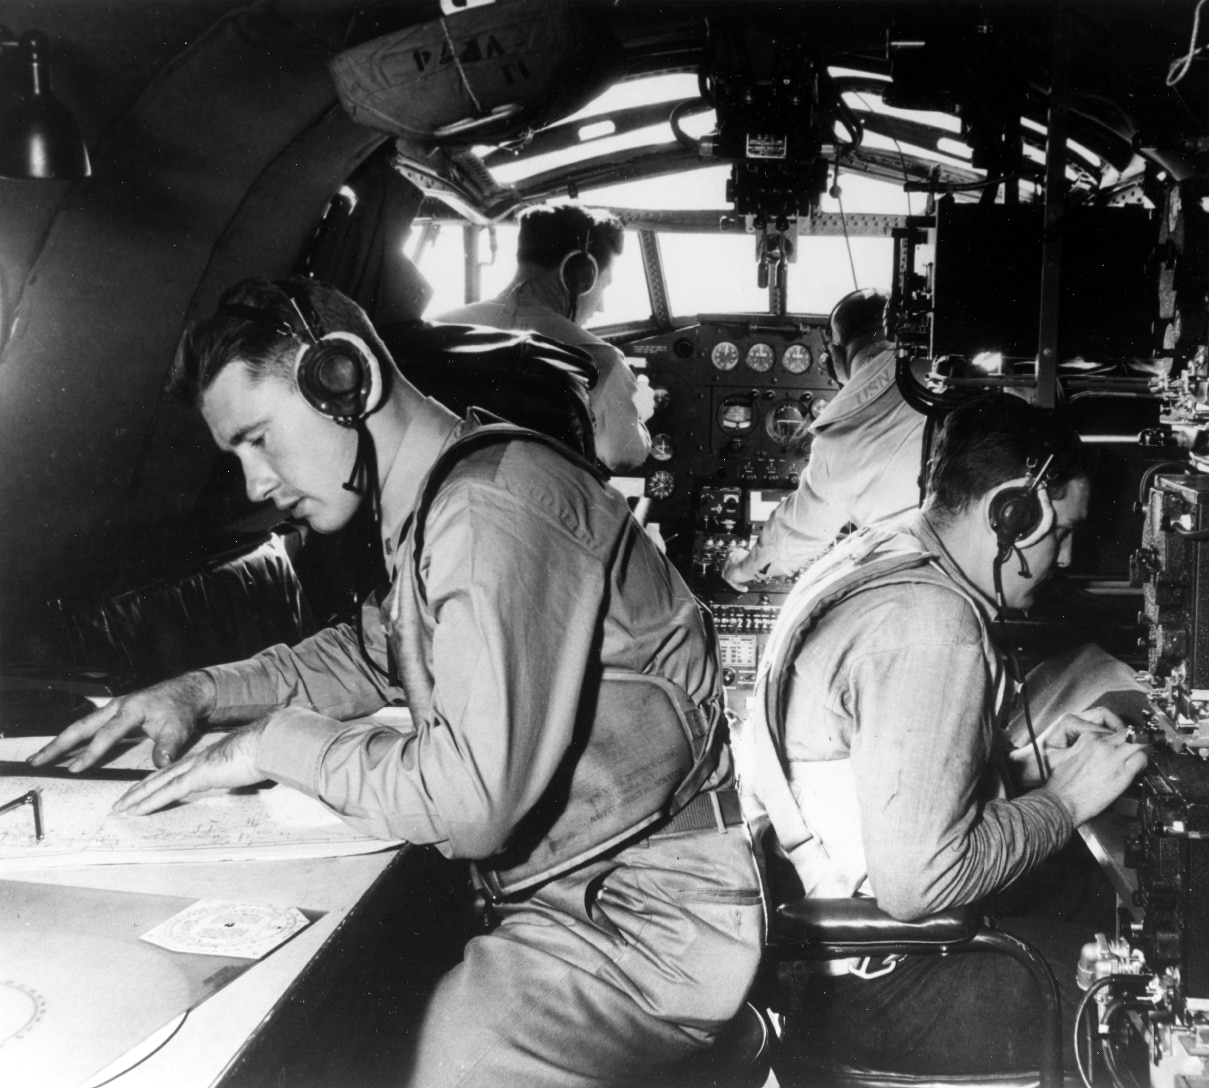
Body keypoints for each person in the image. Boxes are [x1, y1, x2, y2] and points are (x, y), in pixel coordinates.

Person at [31, 276, 763, 1087]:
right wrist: (200, 692)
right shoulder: (446, 491)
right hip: (573, 889)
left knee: (440, 1059)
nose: (254, 485)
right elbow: (370, 652)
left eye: (260, 439)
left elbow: (470, 806)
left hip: (645, 922)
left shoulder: (489, 510)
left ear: (345, 379)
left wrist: (276, 743)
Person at [737, 393, 1150, 1076]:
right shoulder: (930, 628)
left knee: (1083, 893)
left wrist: (1025, 770)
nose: (1068, 557)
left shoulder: (876, 553)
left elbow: (881, 785)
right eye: (1063, 532)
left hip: (832, 963)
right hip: (892, 983)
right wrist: (1067, 801)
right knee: (1133, 993)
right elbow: (921, 884)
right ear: (1014, 514)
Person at [723, 288, 925, 590]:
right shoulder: (938, 371)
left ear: (835, 357)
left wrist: (740, 568)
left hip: (909, 576)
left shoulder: (840, 432)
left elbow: (794, 539)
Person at [436, 202, 654, 473]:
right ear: (582, 275)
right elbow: (623, 455)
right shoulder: (599, 360)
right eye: (603, 286)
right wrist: (641, 411)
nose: (601, 307)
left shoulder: (436, 327)